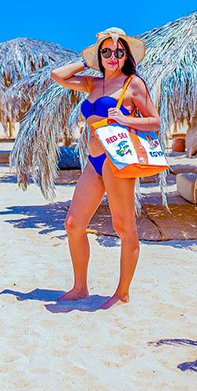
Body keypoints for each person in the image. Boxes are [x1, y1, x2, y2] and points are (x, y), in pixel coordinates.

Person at [50, 27, 160, 309]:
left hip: (117, 161)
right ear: (100, 55)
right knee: (73, 224)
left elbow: (154, 122)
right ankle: (80, 287)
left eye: (119, 52)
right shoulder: (91, 83)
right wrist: (87, 62)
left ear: (126, 56)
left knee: (124, 228)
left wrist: (126, 120)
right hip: (93, 161)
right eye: (107, 52)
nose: (113, 56)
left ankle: (122, 293)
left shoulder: (133, 84)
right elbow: (58, 76)